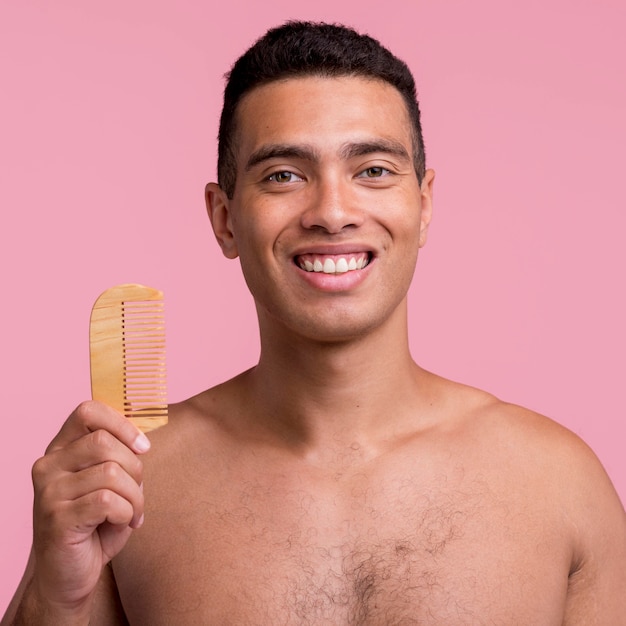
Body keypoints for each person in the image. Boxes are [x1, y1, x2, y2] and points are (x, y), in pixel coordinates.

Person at [3, 20, 626, 625]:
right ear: (224, 218)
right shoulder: (130, 485)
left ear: (424, 202)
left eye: (374, 171)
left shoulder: (558, 483)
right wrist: (54, 597)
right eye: (284, 176)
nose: (332, 211)